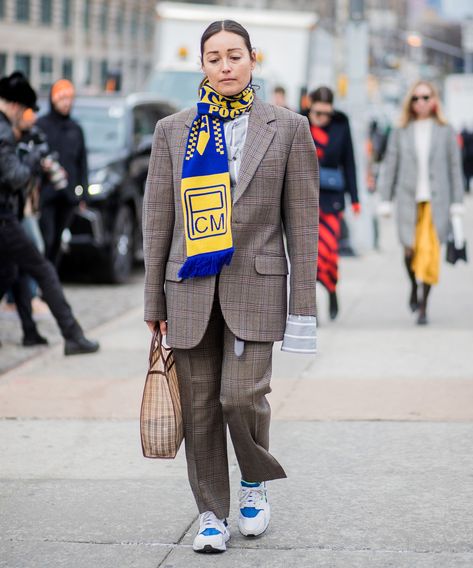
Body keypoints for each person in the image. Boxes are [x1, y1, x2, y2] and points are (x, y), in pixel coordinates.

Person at [143, 20, 318, 554]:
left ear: (252, 60)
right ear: (202, 65)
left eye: (234, 56)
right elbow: (158, 220)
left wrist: (303, 310)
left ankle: (252, 479)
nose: (225, 66)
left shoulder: (287, 127)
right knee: (199, 407)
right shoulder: (173, 131)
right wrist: (153, 299)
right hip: (189, 288)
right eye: (214, 57)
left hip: (257, 288)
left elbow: (303, 223)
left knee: (240, 396)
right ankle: (211, 514)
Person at [0, 71, 99, 355]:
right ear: (18, 106)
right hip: (5, 218)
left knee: (10, 272)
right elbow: (15, 177)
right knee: (43, 268)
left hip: (13, 216)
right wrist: (32, 160)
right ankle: (73, 334)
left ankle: (32, 333)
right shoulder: (4, 130)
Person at [377, 80, 464, 325]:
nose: (421, 103)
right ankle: (412, 286)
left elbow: (455, 168)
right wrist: (385, 199)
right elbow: (390, 165)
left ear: (434, 100)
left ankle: (424, 305)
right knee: (410, 250)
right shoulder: (400, 130)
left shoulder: (445, 130)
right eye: (416, 98)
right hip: (408, 199)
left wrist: (457, 203)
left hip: (436, 201)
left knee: (429, 254)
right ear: (410, 102)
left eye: (426, 97)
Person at [307, 86, 360, 320]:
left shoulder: (341, 125)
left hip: (332, 200)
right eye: (317, 113)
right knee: (309, 255)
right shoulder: (298, 122)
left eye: (326, 114)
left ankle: (331, 289)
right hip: (304, 199)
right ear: (310, 108)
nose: (322, 118)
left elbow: (349, 162)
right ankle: (313, 305)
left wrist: (355, 198)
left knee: (328, 253)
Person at [37, 79, 88, 266]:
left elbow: (82, 162)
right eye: (62, 99)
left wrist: (83, 193)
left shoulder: (75, 128)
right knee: (46, 238)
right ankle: (42, 282)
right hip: (46, 193)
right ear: (53, 100)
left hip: (68, 196)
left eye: (69, 99)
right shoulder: (41, 125)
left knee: (58, 240)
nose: (66, 103)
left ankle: (51, 279)